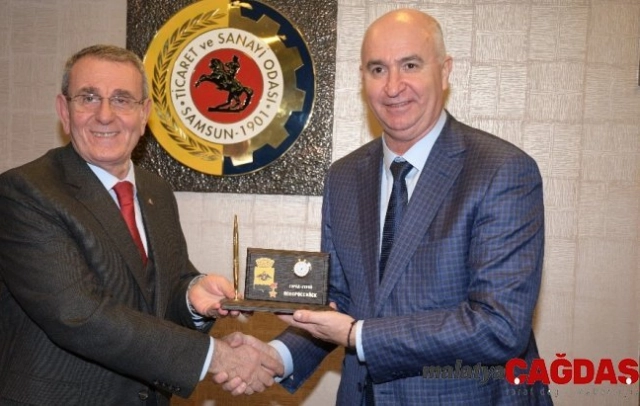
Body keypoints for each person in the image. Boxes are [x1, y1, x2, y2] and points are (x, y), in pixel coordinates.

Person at [220, 8, 552, 405]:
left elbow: (499, 326)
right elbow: (339, 299)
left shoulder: (501, 170)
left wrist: (357, 335)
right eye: (378, 69)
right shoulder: (344, 176)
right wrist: (277, 356)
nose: (393, 86)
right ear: (362, 79)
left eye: (410, 65)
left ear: (444, 71)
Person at [0, 44, 282, 405]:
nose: (105, 115)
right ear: (64, 111)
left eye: (122, 99)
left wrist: (191, 296)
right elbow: (79, 315)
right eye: (89, 98)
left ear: (144, 115)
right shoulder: (26, 191)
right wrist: (215, 356)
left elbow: (156, 291)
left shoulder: (156, 191)